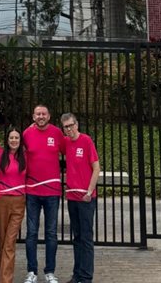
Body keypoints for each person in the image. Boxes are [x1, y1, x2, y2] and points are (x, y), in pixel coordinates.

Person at [23, 104, 62, 283]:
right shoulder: (26, 134)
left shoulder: (57, 133)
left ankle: (50, 272)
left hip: (52, 193)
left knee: (51, 233)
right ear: (33, 116)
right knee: (31, 233)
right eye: (38, 114)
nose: (41, 116)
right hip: (32, 191)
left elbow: (69, 154)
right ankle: (32, 271)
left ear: (49, 116)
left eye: (44, 113)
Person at [61, 113, 99, 283]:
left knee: (86, 238)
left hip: (85, 198)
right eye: (66, 127)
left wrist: (89, 192)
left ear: (77, 124)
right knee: (77, 237)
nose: (69, 129)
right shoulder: (66, 142)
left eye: (71, 125)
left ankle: (86, 276)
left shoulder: (86, 141)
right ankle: (77, 275)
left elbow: (96, 168)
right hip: (72, 197)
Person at [0, 127, 27, 283]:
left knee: (10, 242)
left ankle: (5, 280)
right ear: (7, 140)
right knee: (3, 241)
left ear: (20, 141)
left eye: (17, 138)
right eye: (11, 138)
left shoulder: (25, 157)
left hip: (18, 203)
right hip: (1, 201)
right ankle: (3, 276)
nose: (14, 140)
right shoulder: (0, 155)